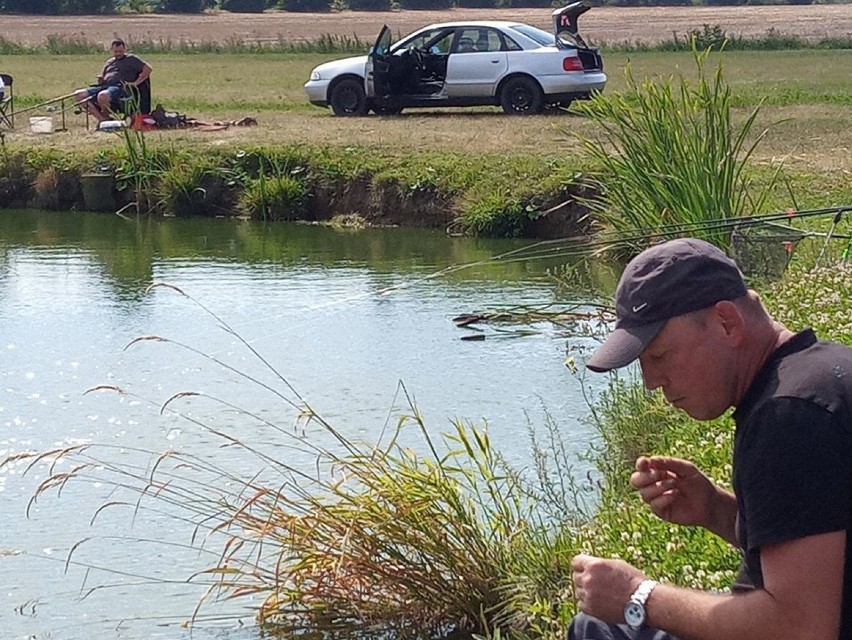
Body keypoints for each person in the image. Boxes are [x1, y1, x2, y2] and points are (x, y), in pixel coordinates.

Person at [570, 237, 852, 640]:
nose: (651, 383)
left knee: (600, 629)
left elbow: (801, 627)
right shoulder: (823, 374)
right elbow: (823, 555)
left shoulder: (788, 416)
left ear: (726, 322)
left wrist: (638, 596)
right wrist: (714, 509)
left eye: (660, 356)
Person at [74, 38, 152, 124]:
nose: (118, 54)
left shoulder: (132, 59)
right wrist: (101, 79)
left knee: (102, 95)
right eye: (116, 52)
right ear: (111, 50)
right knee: (79, 94)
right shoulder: (109, 62)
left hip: (119, 87)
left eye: (120, 52)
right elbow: (103, 76)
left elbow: (148, 69)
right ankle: (102, 119)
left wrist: (136, 83)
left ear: (125, 49)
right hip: (105, 86)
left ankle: (107, 117)